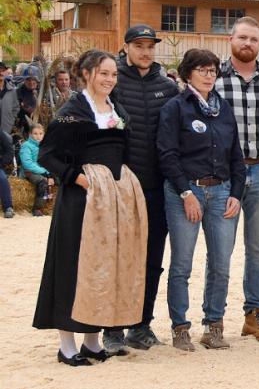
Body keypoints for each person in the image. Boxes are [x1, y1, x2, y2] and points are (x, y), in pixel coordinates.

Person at [33, 49, 149, 366]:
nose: (110, 79)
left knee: (103, 267)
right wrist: (78, 178)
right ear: (86, 74)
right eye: (103, 73)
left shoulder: (116, 108)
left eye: (114, 74)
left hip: (113, 199)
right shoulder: (72, 111)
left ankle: (92, 342)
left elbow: (124, 149)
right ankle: (66, 345)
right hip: (80, 202)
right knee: (74, 265)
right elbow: (47, 155)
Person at [158, 48, 245, 352]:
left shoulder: (223, 108)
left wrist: (236, 193)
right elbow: (167, 154)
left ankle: (214, 325)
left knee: (221, 263)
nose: (209, 76)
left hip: (222, 191)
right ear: (187, 73)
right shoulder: (175, 107)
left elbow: (236, 154)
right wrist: (185, 193)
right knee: (182, 263)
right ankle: (180, 327)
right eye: (202, 70)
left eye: (212, 71)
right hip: (186, 192)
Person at [104, 24, 180, 351]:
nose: (145, 52)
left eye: (150, 46)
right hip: (121, 187)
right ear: (126, 48)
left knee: (152, 261)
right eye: (139, 45)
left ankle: (141, 324)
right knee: (120, 259)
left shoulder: (168, 87)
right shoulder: (113, 83)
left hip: (157, 187)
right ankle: (112, 329)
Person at [215, 16, 259, 342]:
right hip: (224, 176)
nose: (248, 43)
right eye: (242, 37)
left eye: (254, 39)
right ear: (230, 39)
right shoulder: (213, 78)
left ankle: (254, 315)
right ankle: (214, 318)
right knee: (221, 250)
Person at [20, 123, 52, 216]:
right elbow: (27, 164)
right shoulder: (26, 145)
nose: (38, 136)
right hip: (28, 172)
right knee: (43, 182)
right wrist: (45, 172)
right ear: (30, 134)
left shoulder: (45, 146)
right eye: (35, 133)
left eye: (41, 133)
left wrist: (51, 174)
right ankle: (37, 208)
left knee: (61, 179)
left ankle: (56, 206)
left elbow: (50, 162)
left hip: (43, 171)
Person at [1, 130, 14, 218]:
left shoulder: (1, 134)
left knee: (2, 179)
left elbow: (9, 151)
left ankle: (8, 207)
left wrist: (1, 163)